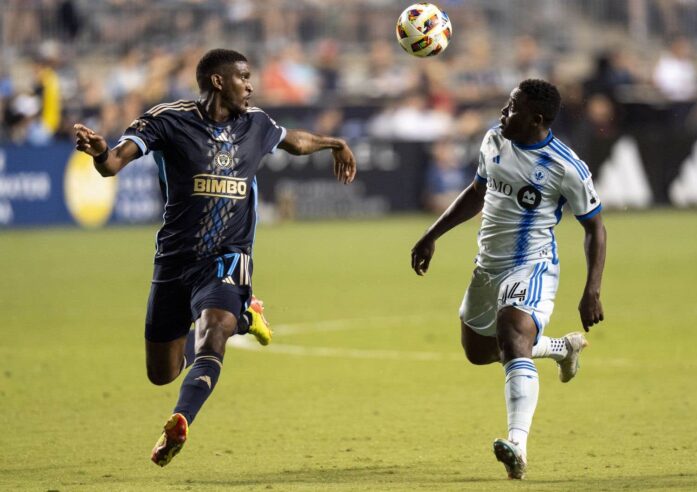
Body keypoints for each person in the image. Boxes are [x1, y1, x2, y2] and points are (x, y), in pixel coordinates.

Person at [73, 48, 356, 467]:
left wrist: (334, 142)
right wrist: (100, 152)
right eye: (244, 77)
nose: (251, 85)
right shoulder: (169, 119)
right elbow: (113, 164)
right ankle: (246, 315)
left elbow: (294, 141)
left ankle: (181, 420)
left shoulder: (256, 123)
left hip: (228, 256)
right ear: (218, 81)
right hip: (175, 259)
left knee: (213, 334)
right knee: (162, 372)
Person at [410, 79, 606, 480]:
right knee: (479, 350)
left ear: (536, 119)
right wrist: (432, 234)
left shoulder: (565, 165)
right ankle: (560, 348)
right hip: (488, 265)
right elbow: (477, 192)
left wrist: (592, 290)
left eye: (512, 108)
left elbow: (595, 229)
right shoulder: (493, 142)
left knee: (513, 332)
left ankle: (517, 444)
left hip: (531, 264)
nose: (503, 113)